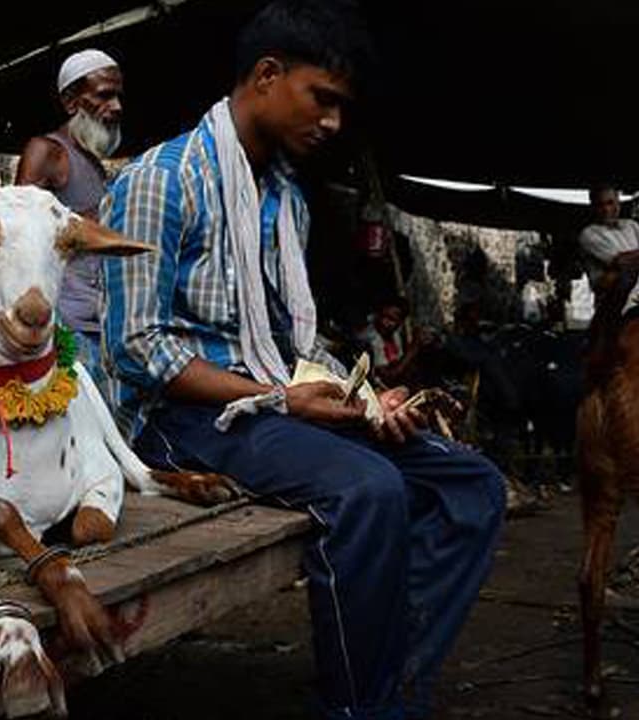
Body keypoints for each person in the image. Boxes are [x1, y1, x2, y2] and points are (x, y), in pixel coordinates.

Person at [98, 2, 505, 718]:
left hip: (268, 400)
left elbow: (296, 343)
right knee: (367, 490)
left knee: (470, 487)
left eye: (342, 107)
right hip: (176, 420)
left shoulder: (285, 197)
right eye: (324, 99)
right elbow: (135, 351)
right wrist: (281, 398)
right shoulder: (161, 179)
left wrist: (367, 395)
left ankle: (392, 678)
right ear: (266, 75)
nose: (333, 123)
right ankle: (360, 704)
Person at [16, 48, 124, 380]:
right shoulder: (47, 152)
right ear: (71, 102)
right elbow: (17, 232)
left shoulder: (89, 159)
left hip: (99, 321)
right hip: (67, 326)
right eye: (104, 95)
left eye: (118, 96)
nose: (117, 107)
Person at [578, 183, 639, 293]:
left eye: (610, 203)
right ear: (593, 207)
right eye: (600, 205)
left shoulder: (632, 226)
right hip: (613, 302)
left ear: (618, 204)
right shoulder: (589, 233)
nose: (606, 209)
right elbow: (620, 261)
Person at [359, 295, 416, 386]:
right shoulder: (372, 339)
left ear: (400, 322)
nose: (384, 322)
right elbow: (387, 377)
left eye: (391, 319)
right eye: (382, 316)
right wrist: (413, 349)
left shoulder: (395, 334)